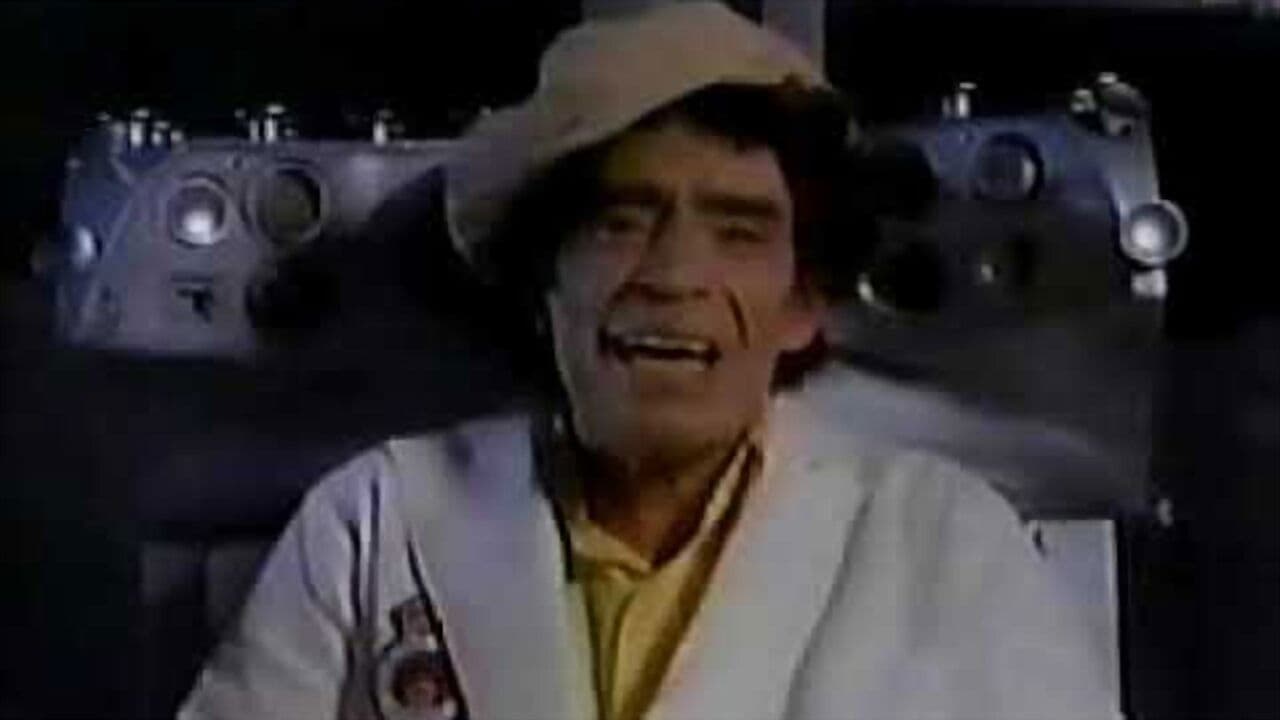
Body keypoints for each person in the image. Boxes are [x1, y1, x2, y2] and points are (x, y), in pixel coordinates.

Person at [180, 3, 1118, 719]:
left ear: (802, 305)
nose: (673, 275)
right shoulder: (373, 523)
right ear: (540, 278)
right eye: (620, 222)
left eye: (739, 231)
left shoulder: (943, 540)